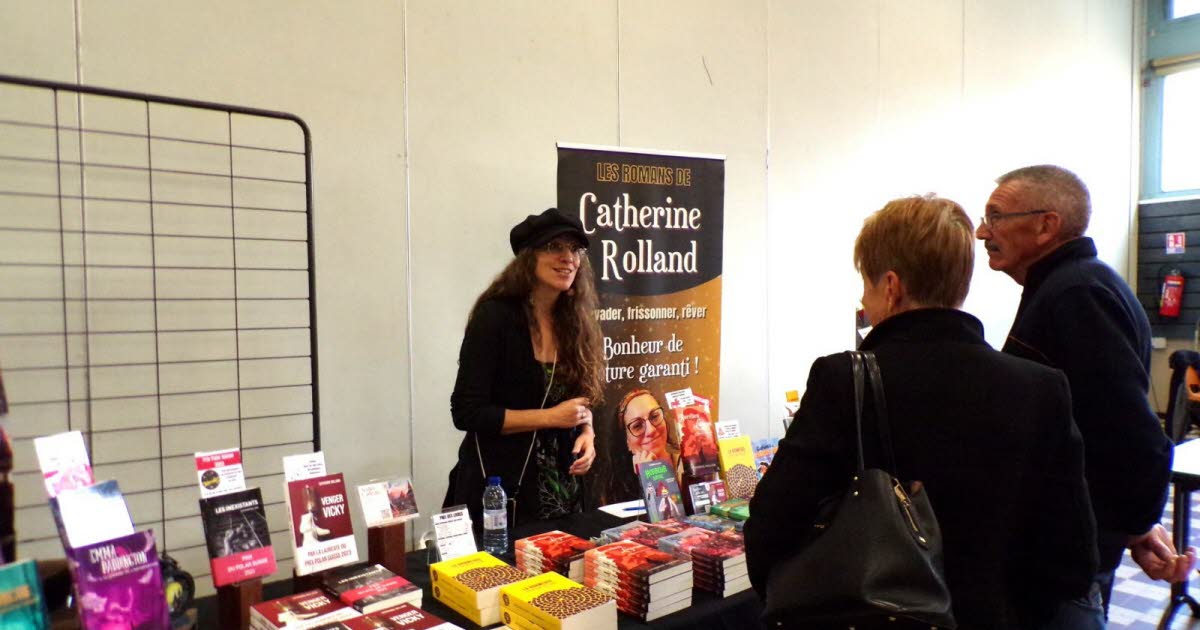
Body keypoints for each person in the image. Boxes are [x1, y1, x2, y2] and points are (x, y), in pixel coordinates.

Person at [747, 195, 1100, 628]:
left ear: (892, 287)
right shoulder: (1042, 387)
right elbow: (1073, 555)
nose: (865, 300)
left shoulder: (845, 380)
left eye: (867, 285)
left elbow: (772, 524)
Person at [978, 165, 1194, 610]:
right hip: (1068, 541)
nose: (983, 231)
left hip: (1064, 554)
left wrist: (1135, 524)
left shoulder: (1076, 295)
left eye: (995, 216)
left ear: (1045, 225)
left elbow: (1131, 435)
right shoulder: (1070, 285)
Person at [446, 208, 604, 526]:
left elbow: (579, 400)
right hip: (504, 493)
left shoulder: (574, 321)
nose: (568, 258)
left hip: (566, 491)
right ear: (528, 257)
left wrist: (587, 432)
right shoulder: (495, 317)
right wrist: (551, 418)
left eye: (574, 249)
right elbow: (467, 412)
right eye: (554, 247)